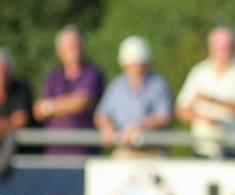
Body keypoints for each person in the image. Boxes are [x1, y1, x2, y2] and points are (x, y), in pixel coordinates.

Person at [175, 26, 235, 158]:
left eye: (227, 48)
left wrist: (212, 100)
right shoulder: (200, 71)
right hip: (204, 149)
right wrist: (202, 118)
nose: (222, 53)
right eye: (218, 49)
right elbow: (181, 109)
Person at [94, 36, 172, 157]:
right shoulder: (117, 86)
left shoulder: (158, 84)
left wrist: (140, 127)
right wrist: (107, 127)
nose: (137, 69)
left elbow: (164, 117)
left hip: (153, 152)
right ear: (124, 65)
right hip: (124, 150)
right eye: (133, 65)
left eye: (140, 64)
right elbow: (101, 114)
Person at [33, 25, 104, 155]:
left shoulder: (93, 73)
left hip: (83, 150)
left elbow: (81, 103)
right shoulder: (53, 76)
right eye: (71, 48)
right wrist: (68, 103)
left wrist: (49, 107)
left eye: (78, 46)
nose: (75, 51)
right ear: (60, 52)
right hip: (54, 150)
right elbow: (38, 111)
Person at [0, 48, 33, 135]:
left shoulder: (21, 88)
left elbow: (21, 119)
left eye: (4, 71)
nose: (1, 75)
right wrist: (10, 122)